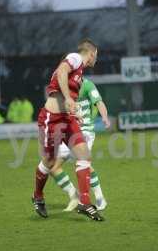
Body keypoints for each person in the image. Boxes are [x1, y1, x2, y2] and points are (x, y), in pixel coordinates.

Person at [32, 38, 104, 221]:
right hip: (51, 120)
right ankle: (38, 196)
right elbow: (62, 71)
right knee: (49, 163)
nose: (97, 59)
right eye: (97, 56)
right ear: (92, 53)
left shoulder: (80, 72)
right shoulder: (75, 58)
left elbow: (67, 91)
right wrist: (68, 98)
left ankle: (85, 203)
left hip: (67, 119)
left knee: (84, 155)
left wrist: (73, 110)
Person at [49, 78, 110, 212]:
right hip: (69, 131)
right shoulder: (64, 85)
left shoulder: (87, 85)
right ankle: (74, 195)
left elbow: (99, 102)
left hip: (85, 131)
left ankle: (99, 198)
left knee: (81, 162)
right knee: (53, 167)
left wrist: (104, 117)